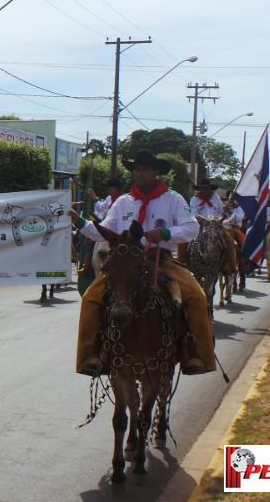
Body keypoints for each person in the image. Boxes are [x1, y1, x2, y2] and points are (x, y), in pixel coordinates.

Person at [69, 150, 215, 377]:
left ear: (156, 172)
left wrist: (165, 232)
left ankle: (196, 354)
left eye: (146, 169)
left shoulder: (173, 198)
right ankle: (91, 354)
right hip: (125, 263)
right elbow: (104, 232)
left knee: (197, 297)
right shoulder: (123, 202)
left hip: (161, 260)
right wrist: (79, 221)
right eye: (137, 169)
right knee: (90, 298)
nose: (140, 173)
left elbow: (192, 228)